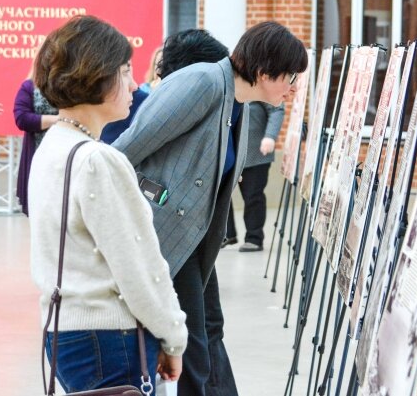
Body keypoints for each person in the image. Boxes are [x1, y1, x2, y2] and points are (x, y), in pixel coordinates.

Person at [113, 21, 308, 395]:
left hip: (196, 240)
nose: (293, 87)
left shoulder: (240, 102)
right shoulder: (203, 82)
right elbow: (126, 150)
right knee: (193, 345)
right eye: (290, 76)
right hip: (165, 235)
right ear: (265, 72)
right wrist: (160, 198)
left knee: (208, 333)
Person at [29, 15, 187, 392]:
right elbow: (138, 266)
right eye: (125, 71)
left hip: (64, 332)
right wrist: (173, 337)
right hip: (108, 337)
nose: (134, 85)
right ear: (98, 75)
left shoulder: (53, 147)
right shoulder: (98, 160)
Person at [223, 101, 285, 252]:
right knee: (221, 195)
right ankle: (226, 234)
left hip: (256, 153)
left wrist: (270, 136)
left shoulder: (260, 81)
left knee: (253, 197)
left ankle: (254, 238)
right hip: (228, 153)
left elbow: (277, 109)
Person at [13, 78, 59, 215]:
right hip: (38, 155)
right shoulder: (29, 86)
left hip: (65, 154)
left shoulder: (72, 84)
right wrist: (58, 120)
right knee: (39, 210)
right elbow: (22, 118)